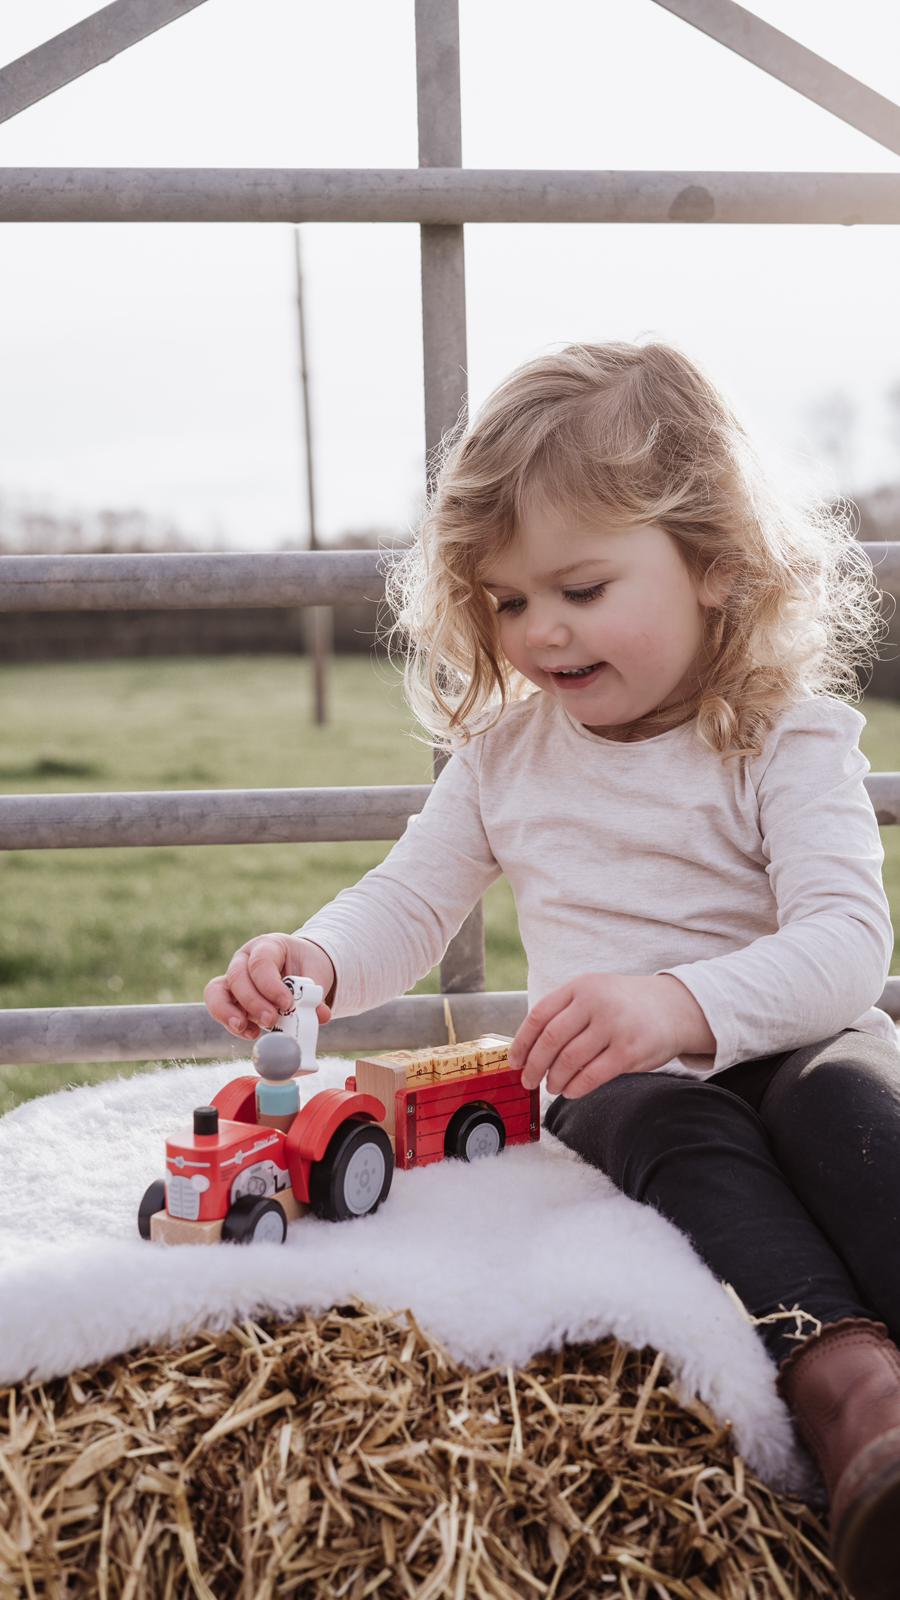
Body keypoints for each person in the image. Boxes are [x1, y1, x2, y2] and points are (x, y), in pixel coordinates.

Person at [205, 339, 900, 1597]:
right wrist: (311, 957)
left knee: (852, 1108)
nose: (541, 630)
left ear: (716, 563)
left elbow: (849, 946)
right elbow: (410, 902)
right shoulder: (504, 759)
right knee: (682, 1137)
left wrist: (682, 998)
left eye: (579, 586)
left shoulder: (783, 735)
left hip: (802, 1035)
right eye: (509, 601)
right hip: (613, 1078)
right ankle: (858, 1405)